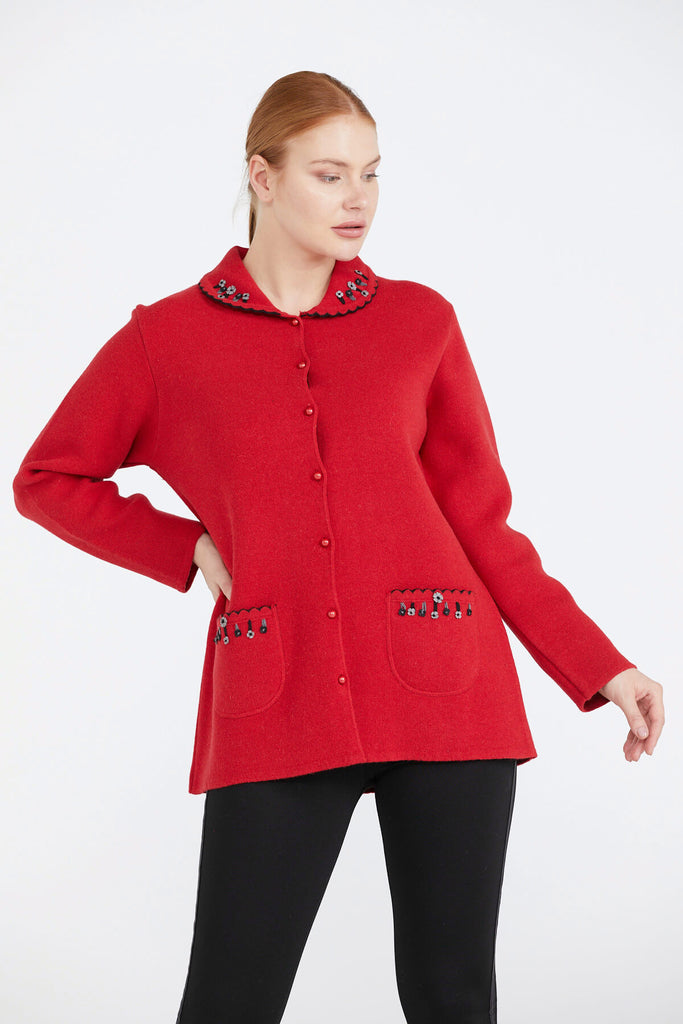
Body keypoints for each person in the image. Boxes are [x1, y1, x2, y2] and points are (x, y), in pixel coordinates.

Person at [12, 70, 665, 1024]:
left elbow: (481, 523)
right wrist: (187, 547)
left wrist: (600, 665)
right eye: (328, 174)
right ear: (262, 177)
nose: (357, 198)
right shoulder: (166, 340)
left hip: (448, 691)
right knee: (229, 1000)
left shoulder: (420, 323)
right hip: (277, 692)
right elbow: (47, 478)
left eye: (370, 173)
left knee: (451, 998)